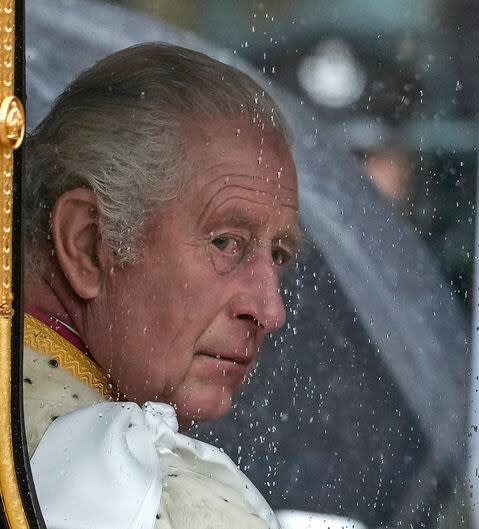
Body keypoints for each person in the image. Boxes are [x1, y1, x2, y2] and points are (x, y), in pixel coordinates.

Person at [21, 42, 300, 529]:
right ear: (88, 244)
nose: (270, 310)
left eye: (278, 255)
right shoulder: (148, 499)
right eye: (226, 243)